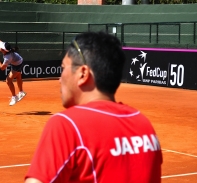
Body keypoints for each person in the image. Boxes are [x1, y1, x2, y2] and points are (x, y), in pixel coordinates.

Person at [24, 31, 162, 183]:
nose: (59, 78)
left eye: (63, 68)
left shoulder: (66, 125)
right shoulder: (144, 125)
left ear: (83, 73)